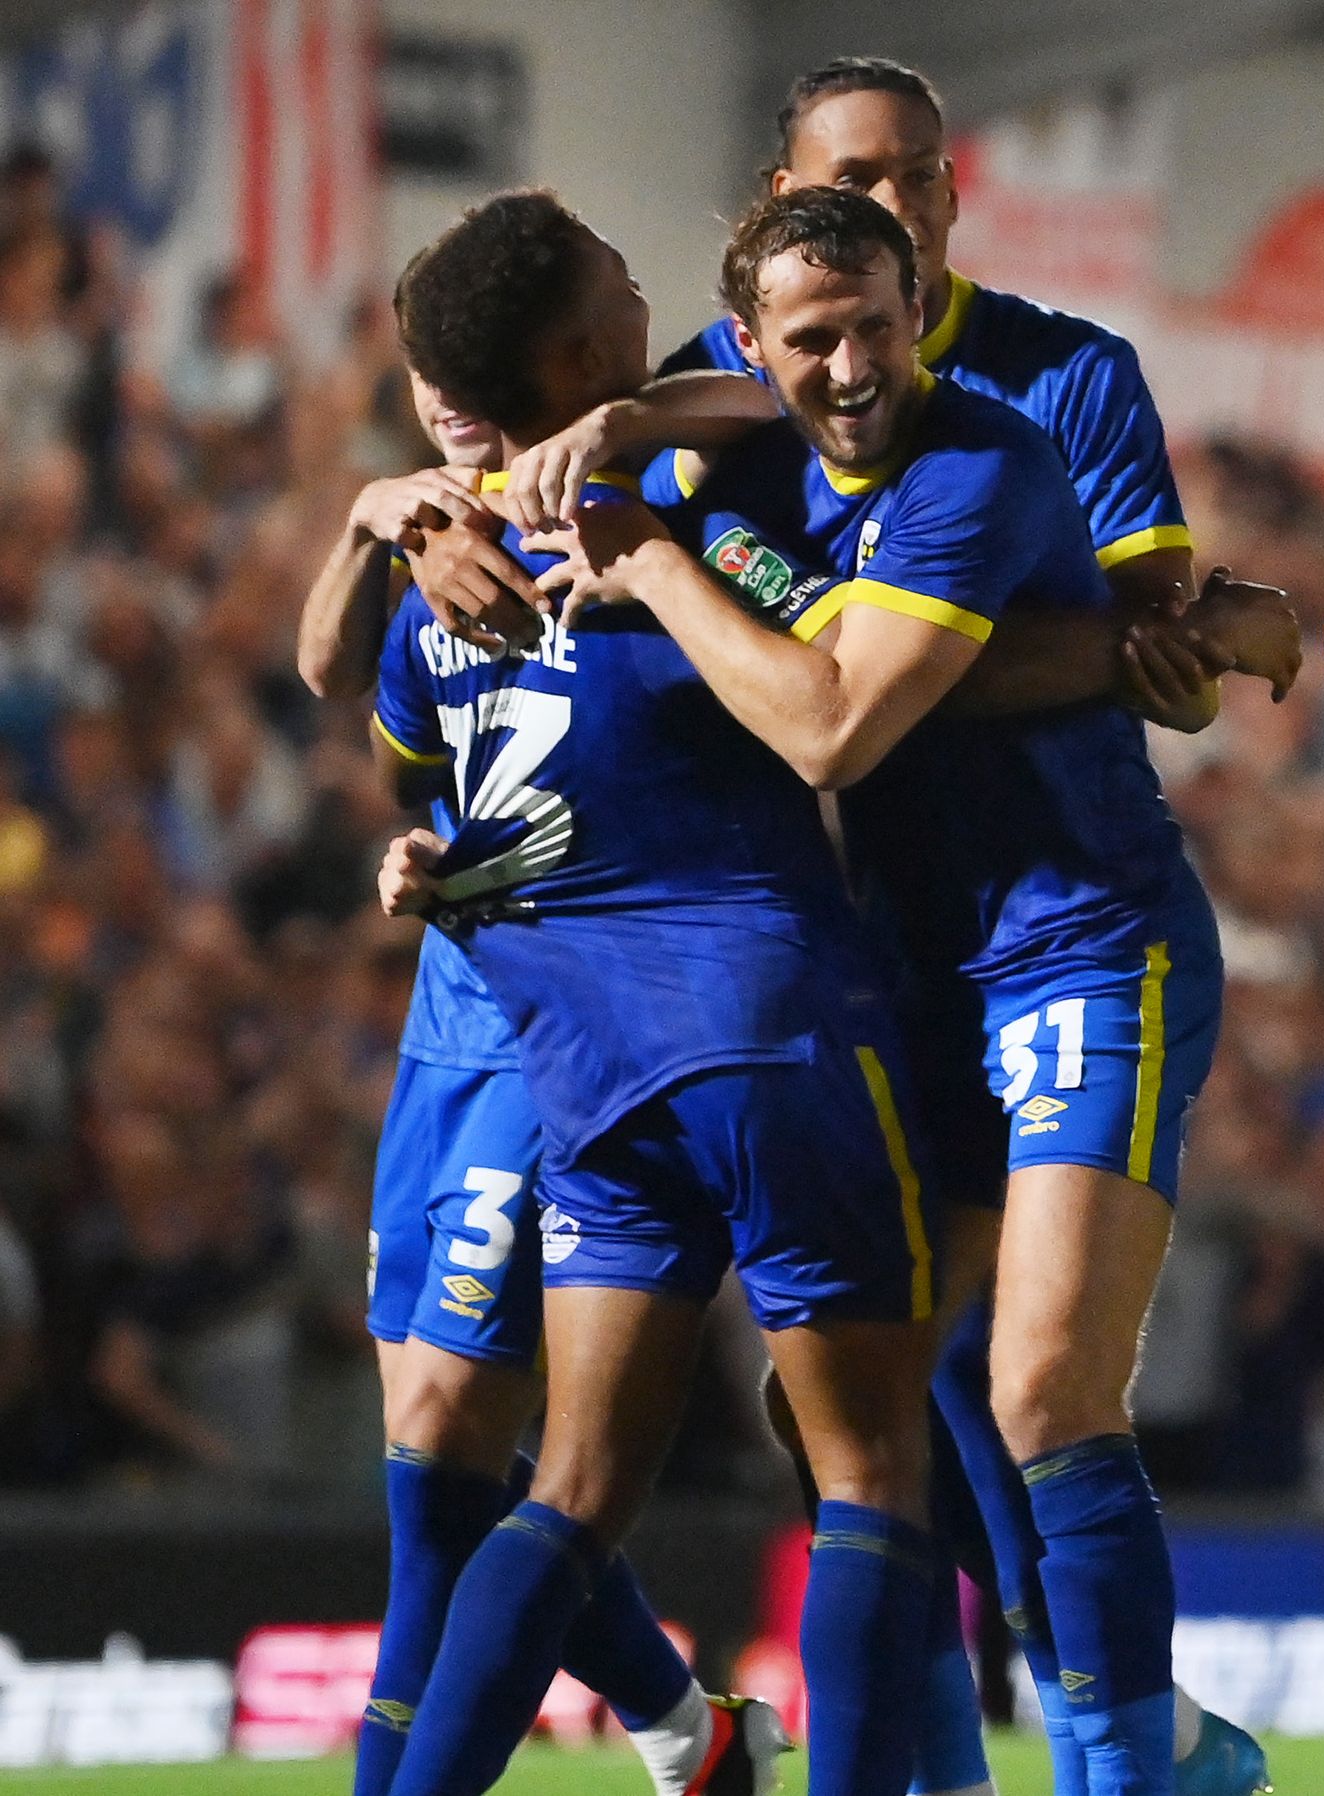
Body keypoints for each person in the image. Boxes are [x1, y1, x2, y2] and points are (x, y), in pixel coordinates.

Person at [491, 63, 1280, 1789]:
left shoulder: (1026, 405)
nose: (907, 205)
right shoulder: (739, 419)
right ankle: (1003, 1752)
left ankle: (1129, 1759)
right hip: (894, 962)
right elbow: (565, 484)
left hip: (1079, 927)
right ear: (757, 296)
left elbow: (1126, 649)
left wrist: (1230, 633)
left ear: (922, 285)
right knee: (858, 1405)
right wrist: (416, 513)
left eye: (925, 179)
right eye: (864, 177)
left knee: (1042, 1386)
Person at [370, 190, 941, 1796]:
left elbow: (402, 757)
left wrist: (397, 518)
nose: (652, 294)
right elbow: (789, 397)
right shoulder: (686, 489)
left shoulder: (448, 579)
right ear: (578, 348)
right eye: (623, 285)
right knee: (870, 1471)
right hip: (764, 1029)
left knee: (566, 1492)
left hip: (587, 1081)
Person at [297, 360, 780, 1796]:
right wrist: (367, 522)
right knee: (425, 1448)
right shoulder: (427, 532)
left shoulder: (638, 478)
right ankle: (689, 1731)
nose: (446, 395)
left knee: (449, 1449)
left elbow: (761, 405)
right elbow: (336, 685)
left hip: (556, 1023)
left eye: (470, 365)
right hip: (447, 1010)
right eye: (422, 369)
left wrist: (626, 432)